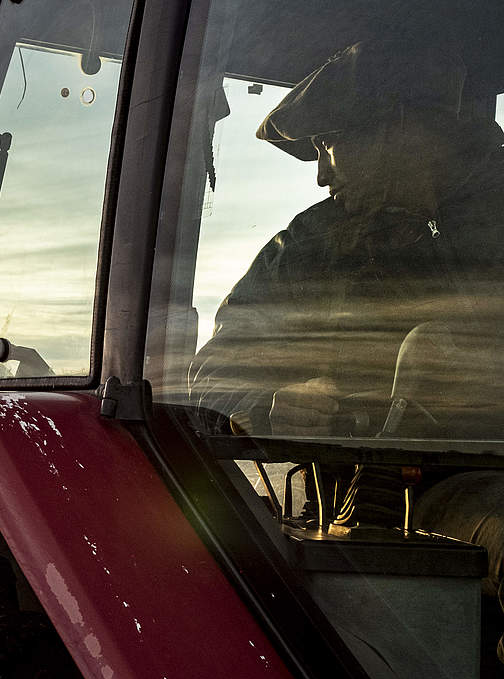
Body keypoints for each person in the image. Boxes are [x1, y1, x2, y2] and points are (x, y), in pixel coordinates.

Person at [189, 39, 504, 442]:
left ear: (398, 129)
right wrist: (266, 406)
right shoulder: (310, 242)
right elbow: (214, 376)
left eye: (327, 144)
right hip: (364, 493)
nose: (321, 176)